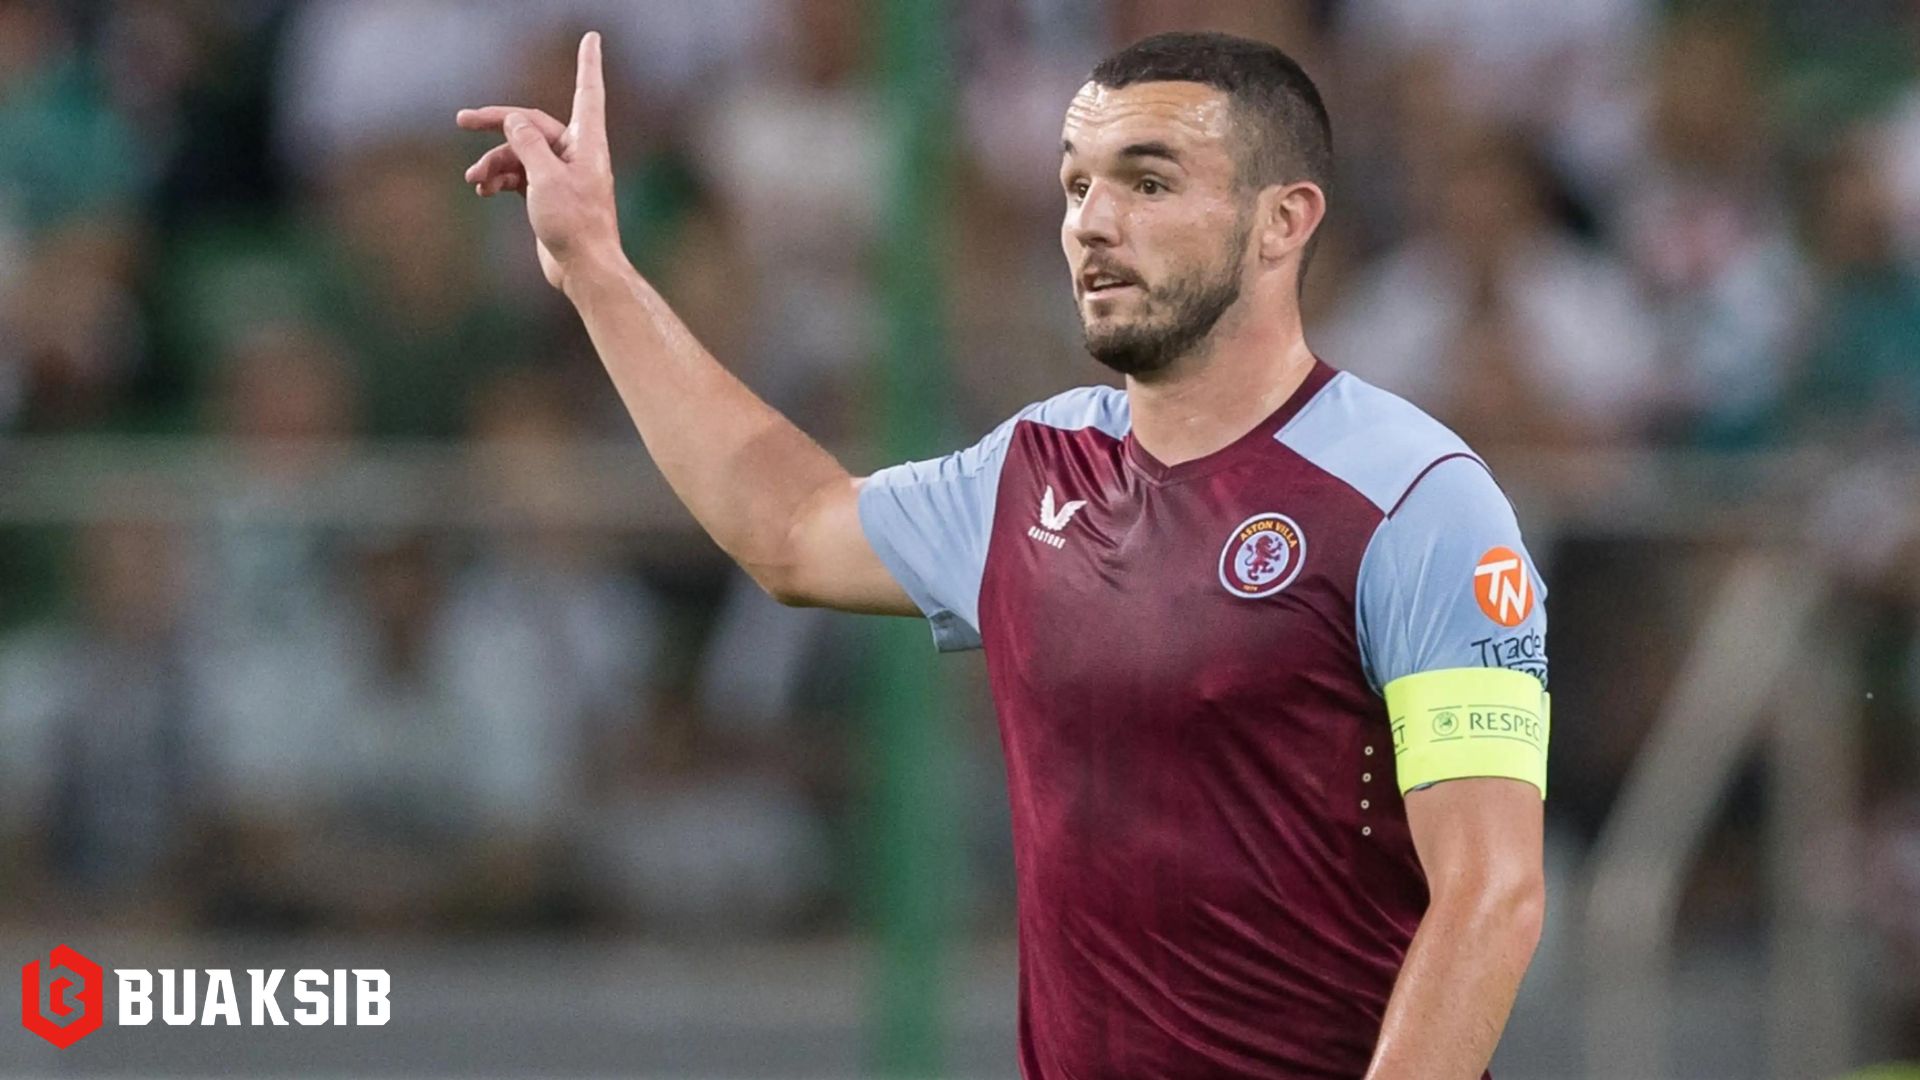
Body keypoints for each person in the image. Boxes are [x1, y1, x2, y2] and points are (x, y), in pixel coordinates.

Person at [458, 29, 1549, 1079]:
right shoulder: (1034, 470)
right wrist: (594, 265)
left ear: (1284, 221)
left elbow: (1491, 895)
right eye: (1076, 186)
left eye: (1149, 183)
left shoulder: (1418, 502)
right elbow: (789, 529)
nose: (1092, 224)